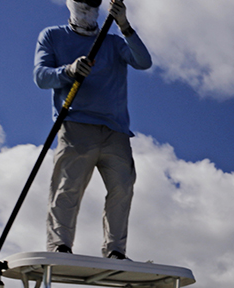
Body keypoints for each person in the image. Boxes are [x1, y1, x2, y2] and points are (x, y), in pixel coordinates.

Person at [34, 0, 151, 260]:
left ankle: (115, 251)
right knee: (67, 188)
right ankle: (60, 246)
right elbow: (41, 77)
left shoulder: (113, 42)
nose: (88, 9)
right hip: (76, 125)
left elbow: (144, 62)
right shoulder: (52, 36)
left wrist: (124, 25)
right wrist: (69, 70)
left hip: (116, 131)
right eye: (83, 3)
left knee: (123, 188)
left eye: (93, 4)